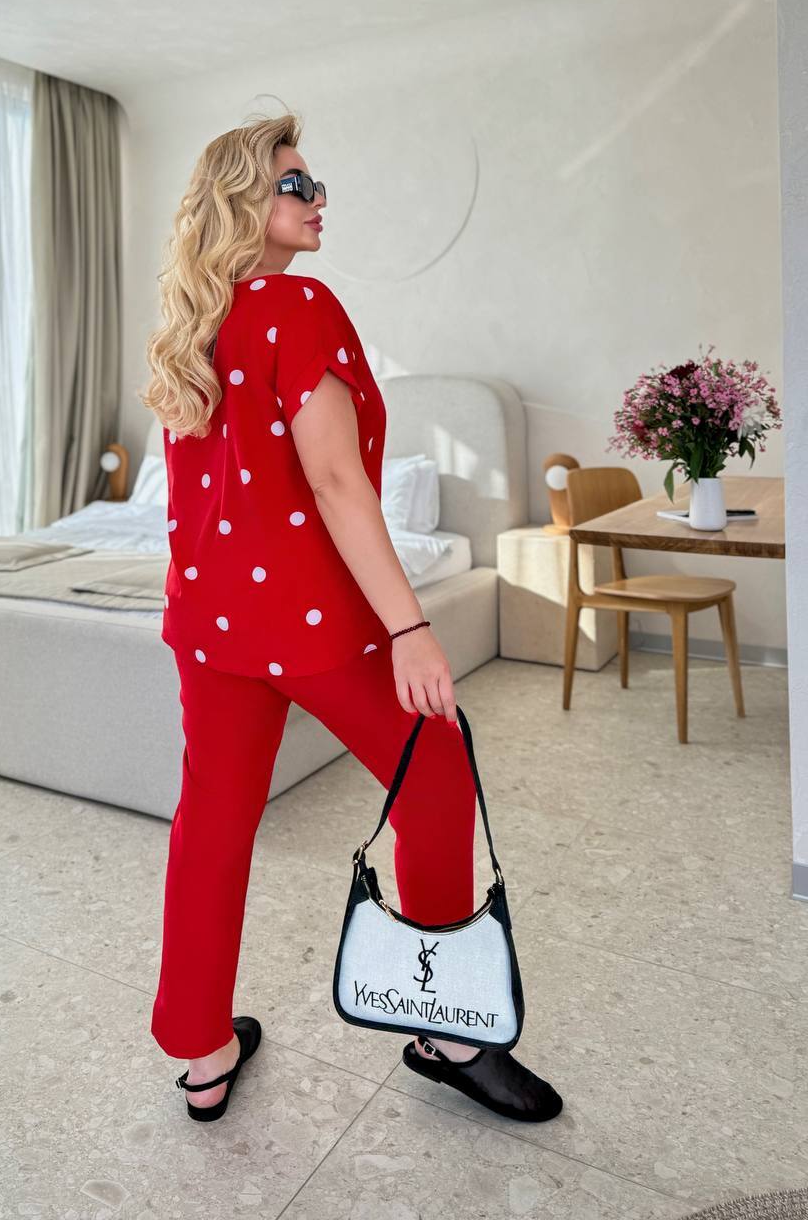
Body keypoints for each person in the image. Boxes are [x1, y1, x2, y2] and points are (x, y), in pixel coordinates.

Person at [139, 113, 563, 1124]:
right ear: (245, 201)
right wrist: (411, 627)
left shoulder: (190, 331)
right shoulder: (298, 305)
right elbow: (335, 480)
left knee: (211, 826)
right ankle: (447, 1031)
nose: (317, 198)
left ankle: (200, 1049)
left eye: (314, 183)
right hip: (309, 621)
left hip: (209, 623)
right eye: (295, 184)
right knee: (435, 772)